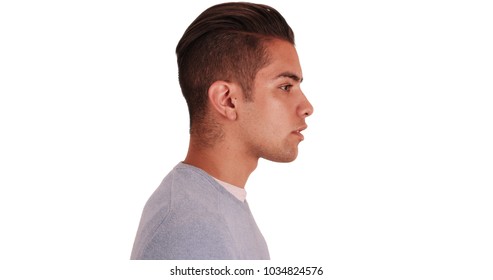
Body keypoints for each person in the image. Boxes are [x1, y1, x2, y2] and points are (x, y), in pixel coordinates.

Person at [131, 2, 313, 260]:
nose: (307, 107)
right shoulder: (192, 230)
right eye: (285, 87)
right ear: (227, 100)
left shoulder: (220, 204)